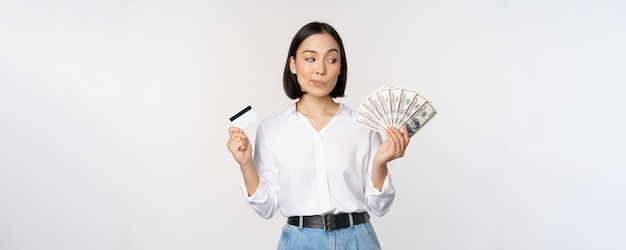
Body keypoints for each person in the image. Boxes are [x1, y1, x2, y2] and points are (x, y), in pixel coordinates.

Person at [227, 21, 410, 250]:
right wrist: (245, 164)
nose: (321, 69)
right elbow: (266, 208)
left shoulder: (362, 125)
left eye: (331, 60)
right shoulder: (271, 128)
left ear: (340, 67)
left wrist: (380, 164)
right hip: (300, 241)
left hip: (358, 240)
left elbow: (380, 207)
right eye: (310, 58)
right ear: (293, 64)